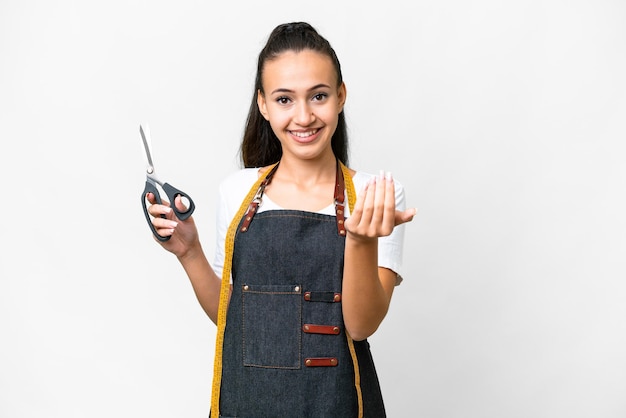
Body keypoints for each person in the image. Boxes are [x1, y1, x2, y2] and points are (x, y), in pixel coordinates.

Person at [146, 21, 416, 418]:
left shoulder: (375, 197)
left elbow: (360, 326)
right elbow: (232, 319)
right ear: (263, 104)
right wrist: (189, 253)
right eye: (285, 99)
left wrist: (359, 239)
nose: (303, 116)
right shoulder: (236, 192)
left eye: (318, 96)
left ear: (340, 96)